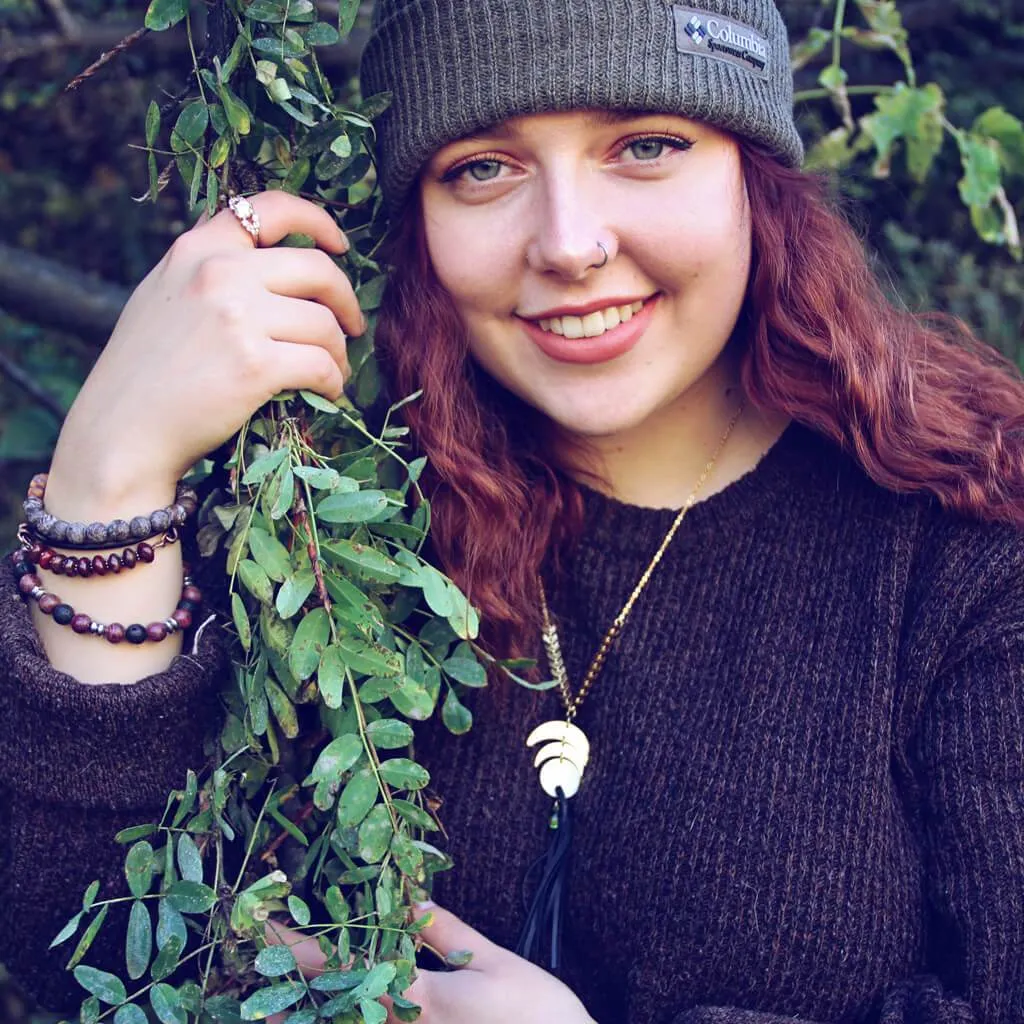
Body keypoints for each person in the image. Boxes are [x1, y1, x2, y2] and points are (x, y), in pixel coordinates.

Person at [2, 0, 1024, 1020]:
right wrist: (110, 475)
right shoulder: (328, 539)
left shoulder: (967, 552)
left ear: (755, 180)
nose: (569, 245)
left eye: (646, 144)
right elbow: (103, 957)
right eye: (482, 167)